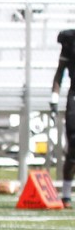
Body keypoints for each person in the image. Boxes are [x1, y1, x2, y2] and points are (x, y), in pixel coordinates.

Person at [51, 28, 75, 208]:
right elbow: (60, 71)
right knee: (73, 146)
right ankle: (66, 194)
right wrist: (54, 97)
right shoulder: (70, 39)